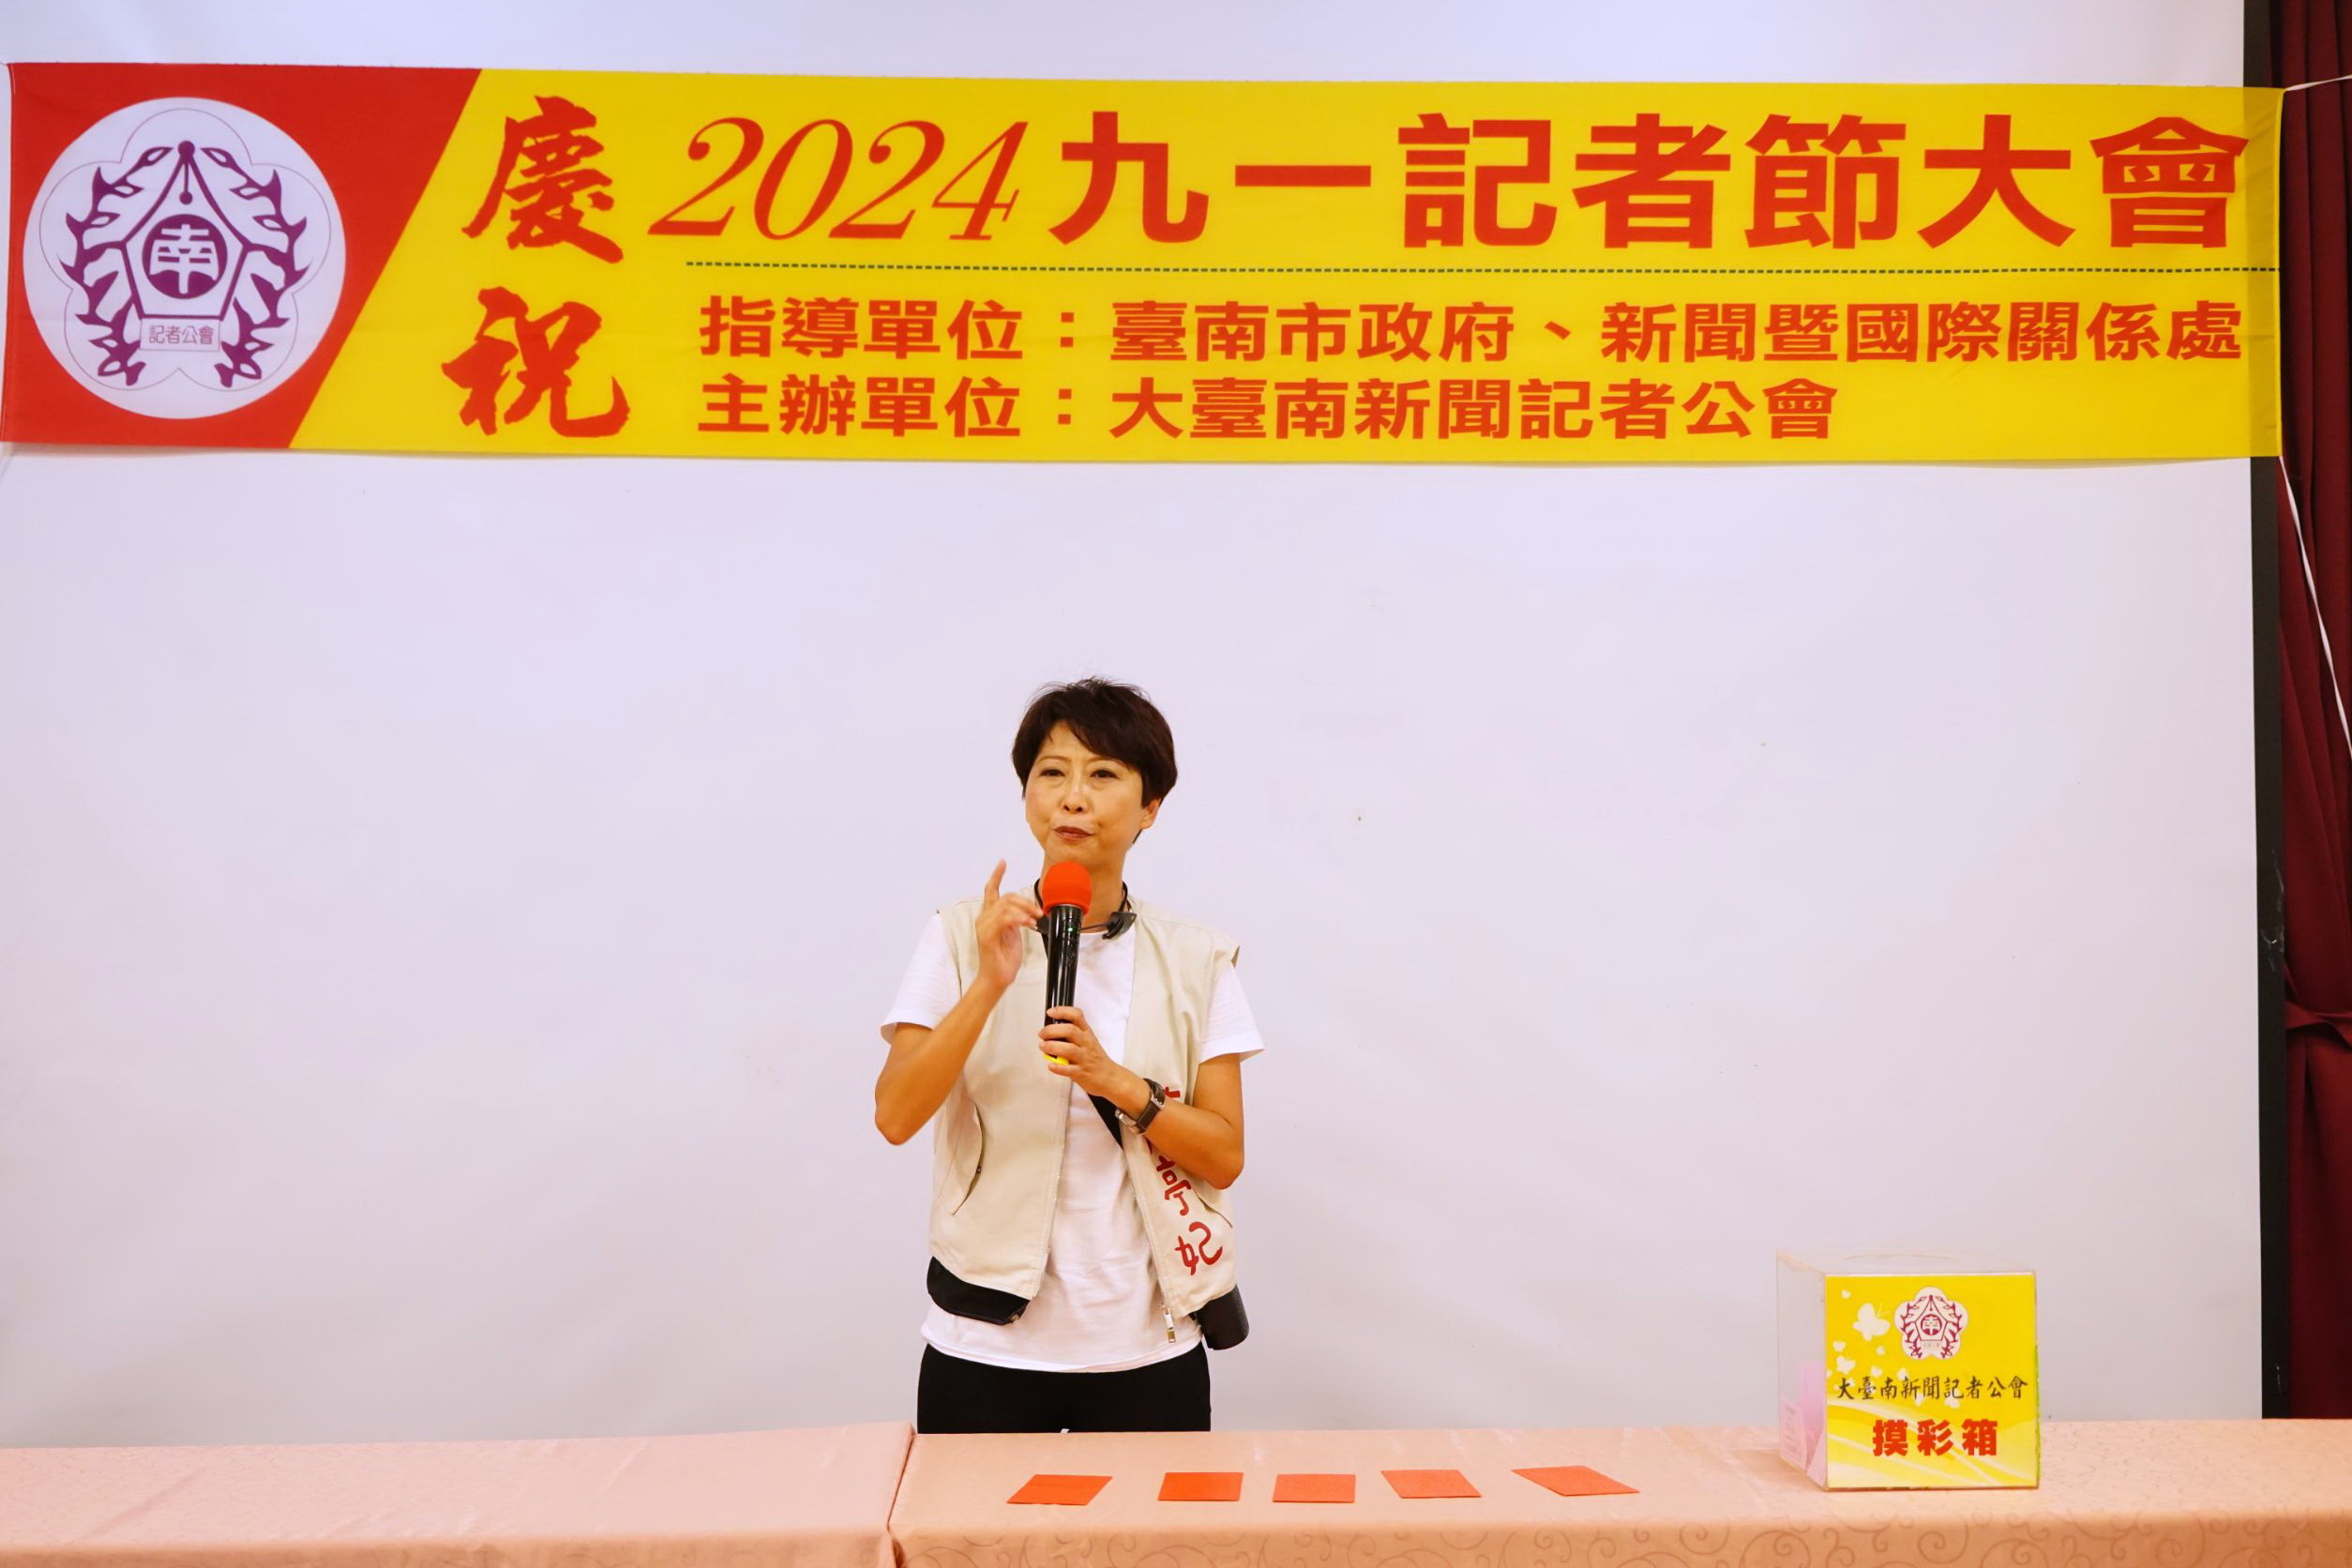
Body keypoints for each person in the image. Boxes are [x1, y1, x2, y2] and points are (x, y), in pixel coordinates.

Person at [873, 679, 1263, 1434]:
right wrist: (989, 984)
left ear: (1151, 807)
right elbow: (894, 1116)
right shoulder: (959, 936)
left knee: (1154, 1522)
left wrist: (1116, 1082)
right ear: (1028, 796)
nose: (1073, 797)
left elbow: (1224, 1156)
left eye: (1104, 773)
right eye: (1052, 772)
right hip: (981, 1346)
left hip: (1147, 1350)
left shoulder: (1199, 957)